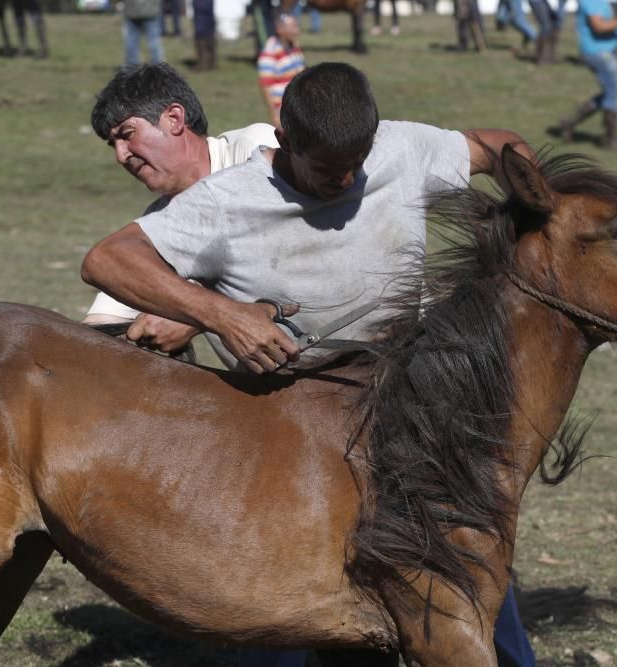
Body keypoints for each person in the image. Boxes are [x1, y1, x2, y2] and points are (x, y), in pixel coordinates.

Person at [82, 61, 539, 667]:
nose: (347, 179)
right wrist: (218, 313)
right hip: (290, 430)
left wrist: (540, 211)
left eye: (356, 161)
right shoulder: (223, 200)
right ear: (287, 143)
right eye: (328, 168)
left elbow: (498, 146)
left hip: (407, 400)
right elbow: (109, 267)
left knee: (462, 551)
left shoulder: (393, 148)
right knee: (284, 608)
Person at [83, 62, 278, 329]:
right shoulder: (157, 225)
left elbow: (297, 247)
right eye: (113, 144)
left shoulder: (255, 150)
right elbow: (102, 323)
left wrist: (198, 316)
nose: (120, 155)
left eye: (127, 134)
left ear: (174, 118)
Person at [557, 0, 617, 148]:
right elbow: (599, 26)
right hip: (597, 52)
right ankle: (609, 139)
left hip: (607, 51)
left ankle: (569, 123)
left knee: (610, 93)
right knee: (613, 93)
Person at [257, 13, 305, 130]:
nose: (296, 31)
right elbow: (265, 85)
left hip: (298, 106)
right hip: (284, 110)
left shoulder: (292, 47)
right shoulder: (270, 52)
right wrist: (275, 116)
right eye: (292, 27)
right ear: (280, 29)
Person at [122, 0, 164, 65]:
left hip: (132, 8)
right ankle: (158, 66)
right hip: (151, 9)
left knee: (131, 40)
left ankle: (132, 66)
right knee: (154, 40)